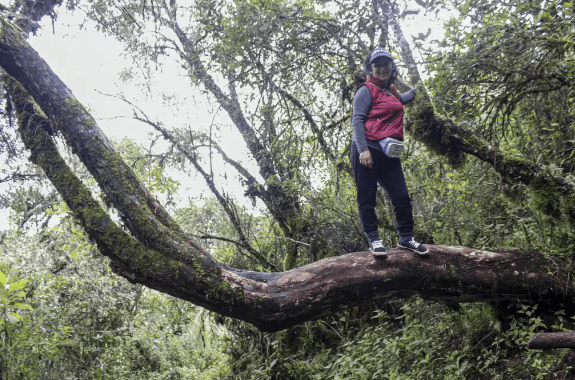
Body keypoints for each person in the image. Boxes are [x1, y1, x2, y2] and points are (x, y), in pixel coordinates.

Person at [351, 47, 428, 256]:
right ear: (371, 68)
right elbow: (357, 120)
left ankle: (406, 238)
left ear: (391, 66)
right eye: (377, 65)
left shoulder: (391, 90)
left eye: (385, 64)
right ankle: (374, 240)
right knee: (367, 197)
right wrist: (363, 150)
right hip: (368, 147)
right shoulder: (365, 90)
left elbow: (401, 100)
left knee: (401, 195)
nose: (382, 69)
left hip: (389, 151)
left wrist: (414, 91)